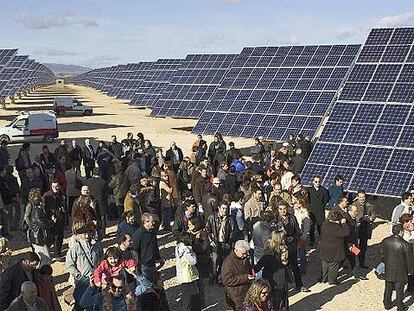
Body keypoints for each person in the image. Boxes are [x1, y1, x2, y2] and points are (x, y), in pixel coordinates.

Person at [65, 222, 103, 310]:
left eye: (88, 233)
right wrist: (78, 275)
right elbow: (69, 264)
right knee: (80, 303)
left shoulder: (98, 245)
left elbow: (102, 259)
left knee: (94, 303)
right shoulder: (75, 247)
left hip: (95, 279)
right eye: (84, 233)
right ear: (80, 234)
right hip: (82, 281)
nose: (86, 236)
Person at [276, 202, 308, 292]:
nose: (283, 211)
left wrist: (293, 237)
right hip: (281, 247)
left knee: (295, 266)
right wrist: (284, 239)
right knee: (282, 267)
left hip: (292, 245)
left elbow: (297, 230)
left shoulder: (292, 218)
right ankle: (282, 288)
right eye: (280, 209)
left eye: (284, 208)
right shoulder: (276, 219)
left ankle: (299, 285)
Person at [381, 224, 413, 311]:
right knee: (399, 290)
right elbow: (409, 261)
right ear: (401, 232)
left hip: (389, 269)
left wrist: (386, 263)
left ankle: (387, 304)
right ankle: (400, 306)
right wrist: (411, 271)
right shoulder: (406, 245)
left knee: (388, 288)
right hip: (401, 271)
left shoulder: (385, 241)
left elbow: (382, 255)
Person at [255, 230, 289, 311]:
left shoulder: (268, 250)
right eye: (283, 238)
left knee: (271, 299)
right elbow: (286, 263)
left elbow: (259, 266)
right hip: (279, 277)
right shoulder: (284, 249)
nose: (285, 239)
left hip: (270, 277)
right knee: (279, 299)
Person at [206, 202, 238, 284]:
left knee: (224, 262)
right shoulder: (212, 218)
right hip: (215, 243)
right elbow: (207, 229)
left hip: (225, 243)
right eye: (223, 208)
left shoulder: (230, 219)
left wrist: (229, 242)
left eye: (226, 208)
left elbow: (233, 231)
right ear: (219, 208)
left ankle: (221, 278)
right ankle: (213, 276)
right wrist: (211, 240)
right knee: (214, 261)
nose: (225, 210)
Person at [220, 240, 254, 311]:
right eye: (244, 253)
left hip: (244, 292)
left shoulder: (243, 258)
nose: (246, 255)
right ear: (236, 250)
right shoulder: (228, 263)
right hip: (236, 295)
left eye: (247, 253)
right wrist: (245, 278)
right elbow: (226, 280)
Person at [319, 210, 350, 285]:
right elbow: (346, 232)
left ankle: (323, 278)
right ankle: (332, 280)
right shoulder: (336, 228)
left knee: (325, 264)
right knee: (333, 266)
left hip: (324, 248)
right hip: (334, 250)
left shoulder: (325, 224)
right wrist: (344, 223)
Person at [24, 188, 53, 267]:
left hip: (37, 230)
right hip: (34, 230)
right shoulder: (30, 206)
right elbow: (26, 217)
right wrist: (32, 227)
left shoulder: (39, 205)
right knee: (42, 256)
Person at [132, 213, 164, 282]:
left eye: (153, 221)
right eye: (151, 221)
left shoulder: (152, 232)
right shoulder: (138, 234)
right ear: (145, 222)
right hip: (144, 265)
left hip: (152, 262)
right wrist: (138, 265)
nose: (153, 223)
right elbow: (135, 251)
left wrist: (159, 258)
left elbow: (155, 246)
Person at [175, 232, 201, 311]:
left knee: (186, 296)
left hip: (183, 275)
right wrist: (193, 252)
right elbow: (193, 261)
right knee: (190, 297)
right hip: (189, 276)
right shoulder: (186, 250)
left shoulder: (178, 247)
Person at [43, 181, 66, 259]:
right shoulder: (47, 195)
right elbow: (44, 209)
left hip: (60, 219)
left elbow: (64, 206)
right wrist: (49, 218)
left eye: (57, 186)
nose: (55, 188)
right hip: (51, 220)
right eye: (53, 186)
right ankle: (52, 253)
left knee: (59, 237)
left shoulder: (61, 194)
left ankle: (58, 253)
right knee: (52, 237)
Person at [353, 189, 376, 268]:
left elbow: (373, 215)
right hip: (356, 228)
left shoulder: (369, 205)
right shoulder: (354, 205)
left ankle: (361, 262)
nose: (362, 198)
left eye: (363, 197)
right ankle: (352, 260)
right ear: (357, 197)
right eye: (360, 197)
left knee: (363, 247)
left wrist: (370, 218)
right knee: (353, 246)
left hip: (365, 228)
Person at [84, 167, 108, 237]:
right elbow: (106, 191)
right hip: (101, 202)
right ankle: (103, 233)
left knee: (92, 217)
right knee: (102, 218)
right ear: (100, 173)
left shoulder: (88, 181)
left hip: (91, 202)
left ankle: (93, 232)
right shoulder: (103, 182)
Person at [307, 175, 329, 246]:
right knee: (311, 228)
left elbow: (325, 200)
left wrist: (321, 207)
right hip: (312, 212)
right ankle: (312, 241)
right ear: (313, 182)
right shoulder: (309, 190)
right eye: (316, 182)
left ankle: (322, 241)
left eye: (319, 182)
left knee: (321, 228)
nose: (317, 183)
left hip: (320, 212)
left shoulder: (324, 190)